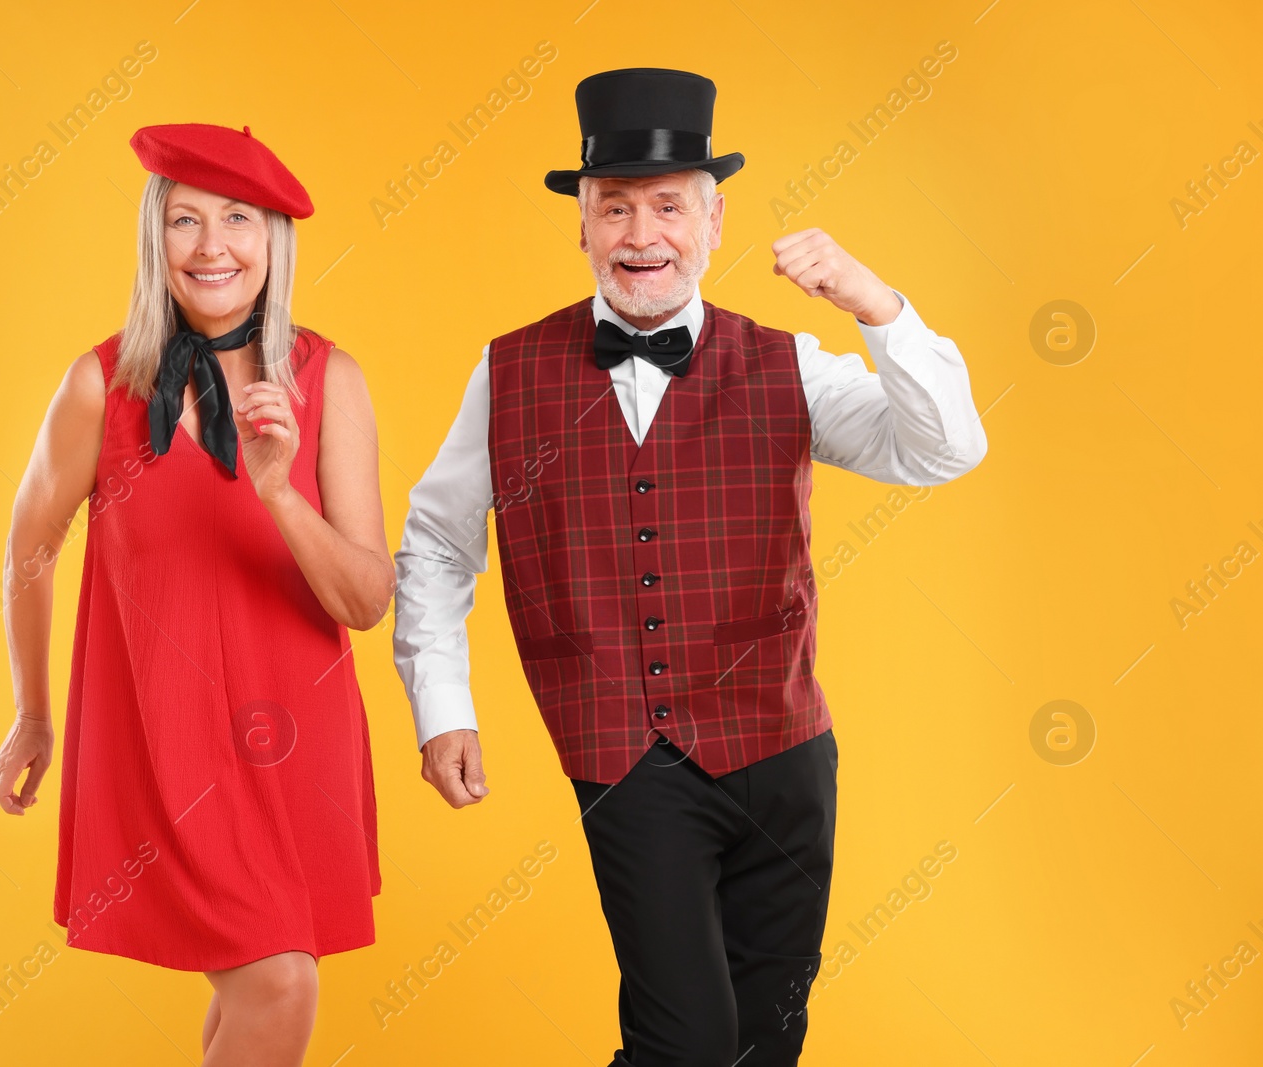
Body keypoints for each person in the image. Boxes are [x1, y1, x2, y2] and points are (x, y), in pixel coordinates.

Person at [392, 68, 988, 1066]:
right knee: (686, 1041)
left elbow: (943, 450)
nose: (640, 234)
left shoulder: (787, 362)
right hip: (626, 754)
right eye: (612, 207)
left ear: (713, 221)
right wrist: (442, 703)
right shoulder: (510, 372)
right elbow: (440, 542)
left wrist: (876, 306)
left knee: (765, 1038)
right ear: (580, 227)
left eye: (667, 205)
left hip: (785, 750)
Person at [0, 121, 392, 1067]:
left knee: (257, 986)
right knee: (279, 984)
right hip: (167, 746)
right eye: (185, 221)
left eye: (238, 220)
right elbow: (29, 549)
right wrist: (34, 714)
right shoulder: (101, 386)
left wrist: (279, 488)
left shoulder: (333, 380)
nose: (212, 247)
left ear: (274, 241)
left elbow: (366, 600)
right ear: (152, 237)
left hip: (299, 742)